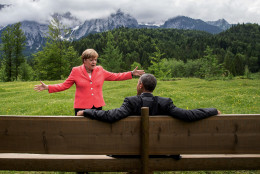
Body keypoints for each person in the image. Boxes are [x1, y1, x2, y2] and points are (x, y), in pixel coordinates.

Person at [34, 48, 145, 115]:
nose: (94, 62)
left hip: (97, 106)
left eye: (95, 60)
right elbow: (64, 85)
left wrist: (131, 73)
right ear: (84, 60)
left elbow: (116, 76)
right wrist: (48, 87)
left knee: (96, 130)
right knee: (81, 131)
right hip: (81, 106)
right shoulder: (76, 71)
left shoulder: (100, 70)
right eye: (91, 60)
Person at [77, 73, 221, 122]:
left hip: (130, 152)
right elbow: (188, 115)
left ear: (140, 85)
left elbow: (111, 116)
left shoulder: (131, 102)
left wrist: (86, 111)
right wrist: (212, 110)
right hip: (160, 151)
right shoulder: (165, 103)